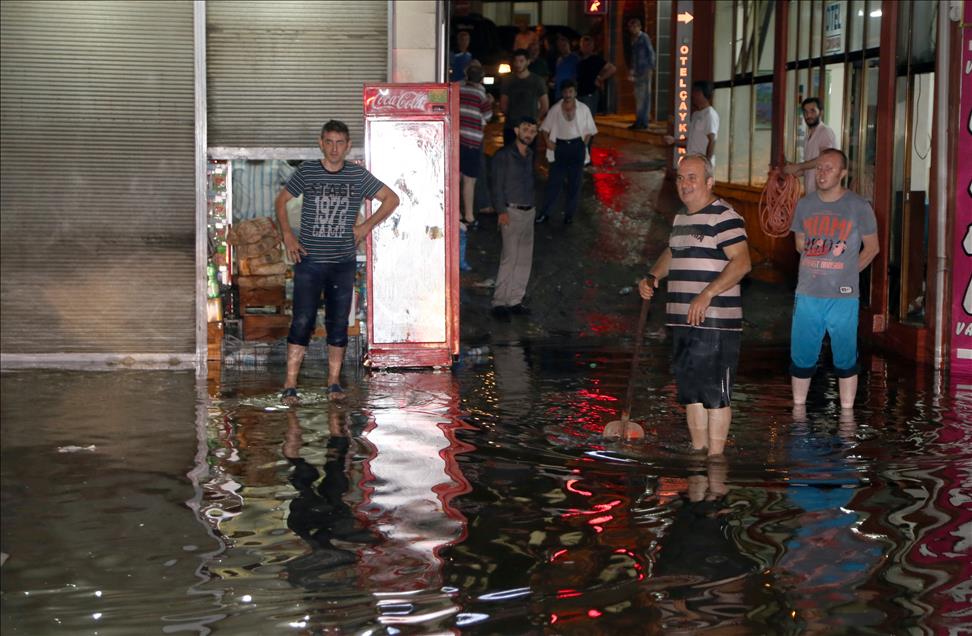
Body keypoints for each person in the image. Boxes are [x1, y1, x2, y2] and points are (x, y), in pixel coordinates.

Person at [276, 120, 401, 405]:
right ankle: (290, 384)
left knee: (338, 323)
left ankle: (333, 382)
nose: (334, 148)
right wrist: (288, 236)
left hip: (342, 262)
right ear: (321, 143)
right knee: (302, 321)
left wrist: (365, 227)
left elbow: (391, 199)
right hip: (309, 261)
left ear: (347, 146)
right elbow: (281, 201)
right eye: (329, 142)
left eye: (340, 143)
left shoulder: (357, 175)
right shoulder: (307, 171)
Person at [638, 154, 751, 456]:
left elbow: (742, 263)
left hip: (715, 323)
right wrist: (652, 275)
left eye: (692, 177)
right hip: (680, 320)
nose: (685, 184)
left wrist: (707, 293)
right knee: (691, 395)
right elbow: (673, 253)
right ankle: (698, 457)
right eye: (680, 177)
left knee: (715, 395)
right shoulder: (682, 218)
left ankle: (716, 464)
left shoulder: (724, 216)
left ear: (709, 182)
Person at [789, 148, 879, 409]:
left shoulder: (859, 207)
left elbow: (872, 248)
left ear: (843, 174)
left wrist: (847, 272)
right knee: (802, 356)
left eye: (829, 168)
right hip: (808, 293)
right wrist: (821, 254)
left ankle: (848, 417)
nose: (822, 173)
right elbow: (799, 244)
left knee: (845, 357)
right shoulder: (805, 204)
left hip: (843, 296)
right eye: (819, 168)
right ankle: (798, 410)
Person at [491, 116, 539, 320]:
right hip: (511, 211)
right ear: (517, 130)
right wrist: (501, 211)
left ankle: (515, 301)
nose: (529, 133)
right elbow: (496, 185)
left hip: (529, 211)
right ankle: (499, 302)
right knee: (509, 258)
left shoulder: (530, 154)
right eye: (526, 129)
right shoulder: (503, 155)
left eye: (533, 131)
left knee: (524, 259)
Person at [535, 80, 596, 226]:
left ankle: (569, 215)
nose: (568, 95)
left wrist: (583, 144)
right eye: (565, 92)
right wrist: (548, 142)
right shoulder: (556, 109)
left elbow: (590, 129)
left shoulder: (583, 109)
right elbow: (544, 128)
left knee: (574, 184)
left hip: (577, 147)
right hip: (560, 147)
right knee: (554, 182)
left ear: (575, 93)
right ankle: (545, 213)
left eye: (571, 92)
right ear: (562, 93)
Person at [458, 61, 494, 270]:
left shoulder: (458, 88)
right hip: (472, 141)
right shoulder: (482, 94)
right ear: (480, 78)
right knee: (470, 180)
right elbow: (487, 116)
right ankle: (469, 215)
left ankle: (458, 214)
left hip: (457, 138)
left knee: (455, 177)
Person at [783, 97, 838, 194]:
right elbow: (811, 167)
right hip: (812, 194)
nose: (808, 115)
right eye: (805, 112)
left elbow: (824, 159)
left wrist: (799, 166)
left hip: (824, 194)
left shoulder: (824, 132)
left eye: (812, 111)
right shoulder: (809, 136)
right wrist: (792, 170)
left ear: (821, 112)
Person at [663, 80, 719, 167]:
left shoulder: (710, 115)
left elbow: (712, 141)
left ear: (700, 93)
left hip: (702, 165)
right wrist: (674, 141)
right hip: (692, 162)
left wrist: (706, 164)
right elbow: (690, 142)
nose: (692, 95)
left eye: (694, 92)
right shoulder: (696, 114)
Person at [499, 49, 549, 147]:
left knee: (529, 158)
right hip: (511, 127)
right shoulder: (507, 80)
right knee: (510, 158)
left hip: (529, 129)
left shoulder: (537, 81)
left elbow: (545, 106)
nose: (518, 64)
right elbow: (503, 105)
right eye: (516, 61)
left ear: (528, 62)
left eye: (521, 61)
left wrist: (535, 119)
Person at [576, 35, 616, 117]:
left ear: (592, 46)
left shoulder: (595, 59)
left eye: (588, 45)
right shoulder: (579, 60)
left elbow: (612, 68)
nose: (585, 47)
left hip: (590, 93)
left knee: (588, 118)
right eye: (583, 45)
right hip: (579, 93)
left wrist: (601, 78)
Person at [626, 18, 656, 130]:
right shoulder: (635, 39)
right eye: (631, 27)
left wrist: (650, 68)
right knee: (639, 96)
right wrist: (632, 70)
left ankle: (642, 121)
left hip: (644, 70)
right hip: (639, 70)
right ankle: (640, 120)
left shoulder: (643, 38)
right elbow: (635, 57)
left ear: (639, 27)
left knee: (643, 97)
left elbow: (650, 52)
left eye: (634, 27)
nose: (632, 29)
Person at [550, 34, 579, 102]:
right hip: (558, 93)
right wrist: (553, 82)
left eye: (564, 45)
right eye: (559, 46)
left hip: (568, 94)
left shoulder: (574, 58)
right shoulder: (559, 59)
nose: (562, 48)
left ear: (569, 44)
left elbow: (576, 77)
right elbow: (558, 75)